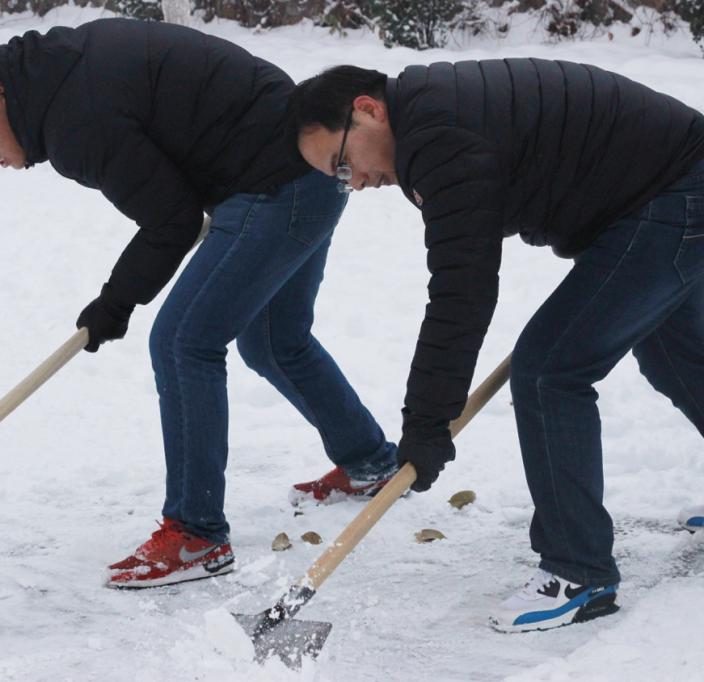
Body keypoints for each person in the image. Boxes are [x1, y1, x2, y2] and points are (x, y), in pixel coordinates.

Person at [0, 19, 399, 589]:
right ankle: (368, 461)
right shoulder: (57, 75)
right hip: (303, 170)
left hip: (283, 180)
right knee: (274, 338)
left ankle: (196, 534)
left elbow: (172, 220)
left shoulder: (74, 118)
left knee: (182, 342)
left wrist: (115, 302)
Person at [289, 60, 704, 631]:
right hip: (664, 191)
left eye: (343, 163)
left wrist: (427, 422)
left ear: (367, 109)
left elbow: (462, 291)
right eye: (340, 178)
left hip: (672, 193)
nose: (355, 183)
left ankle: (578, 571)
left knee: (549, 371)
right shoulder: (431, 119)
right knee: (672, 355)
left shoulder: (439, 138)